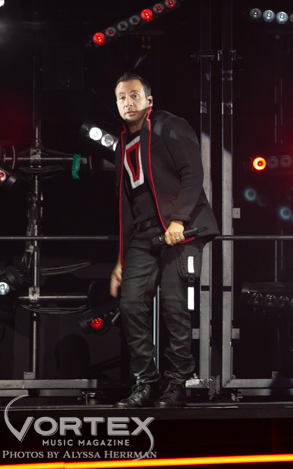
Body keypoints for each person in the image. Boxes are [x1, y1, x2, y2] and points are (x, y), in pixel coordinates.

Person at [109, 72, 219, 408]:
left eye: (134, 95)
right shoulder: (122, 143)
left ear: (149, 100)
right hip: (143, 234)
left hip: (181, 230)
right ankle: (146, 382)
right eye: (121, 97)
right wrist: (121, 259)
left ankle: (177, 383)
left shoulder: (169, 126)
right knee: (130, 304)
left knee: (175, 307)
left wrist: (178, 219)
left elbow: (193, 173)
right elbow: (125, 204)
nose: (128, 102)